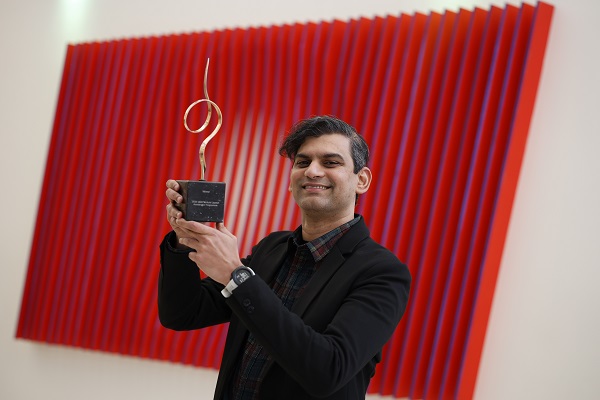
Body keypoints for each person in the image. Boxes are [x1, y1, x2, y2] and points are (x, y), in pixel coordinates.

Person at [158, 115, 411, 400]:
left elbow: (328, 370)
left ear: (361, 180)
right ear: (291, 182)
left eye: (330, 162)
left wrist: (236, 276)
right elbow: (183, 313)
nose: (312, 171)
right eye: (302, 162)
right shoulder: (272, 247)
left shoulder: (383, 273)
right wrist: (183, 238)